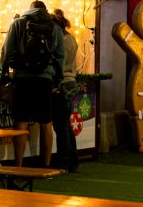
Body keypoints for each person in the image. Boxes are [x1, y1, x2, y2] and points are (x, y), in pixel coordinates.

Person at [1, 0, 64, 168]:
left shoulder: (18, 23)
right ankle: (46, 165)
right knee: (46, 123)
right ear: (45, 10)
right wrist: (57, 78)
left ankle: (18, 165)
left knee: (20, 122)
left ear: (29, 9)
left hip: (23, 79)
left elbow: (7, 51)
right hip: (45, 80)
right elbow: (60, 55)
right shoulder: (54, 27)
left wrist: (3, 72)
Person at [51, 9, 80, 173]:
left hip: (62, 83)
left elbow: (58, 65)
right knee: (65, 124)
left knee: (61, 126)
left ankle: (63, 162)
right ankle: (72, 160)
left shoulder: (60, 40)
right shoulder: (72, 38)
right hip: (71, 82)